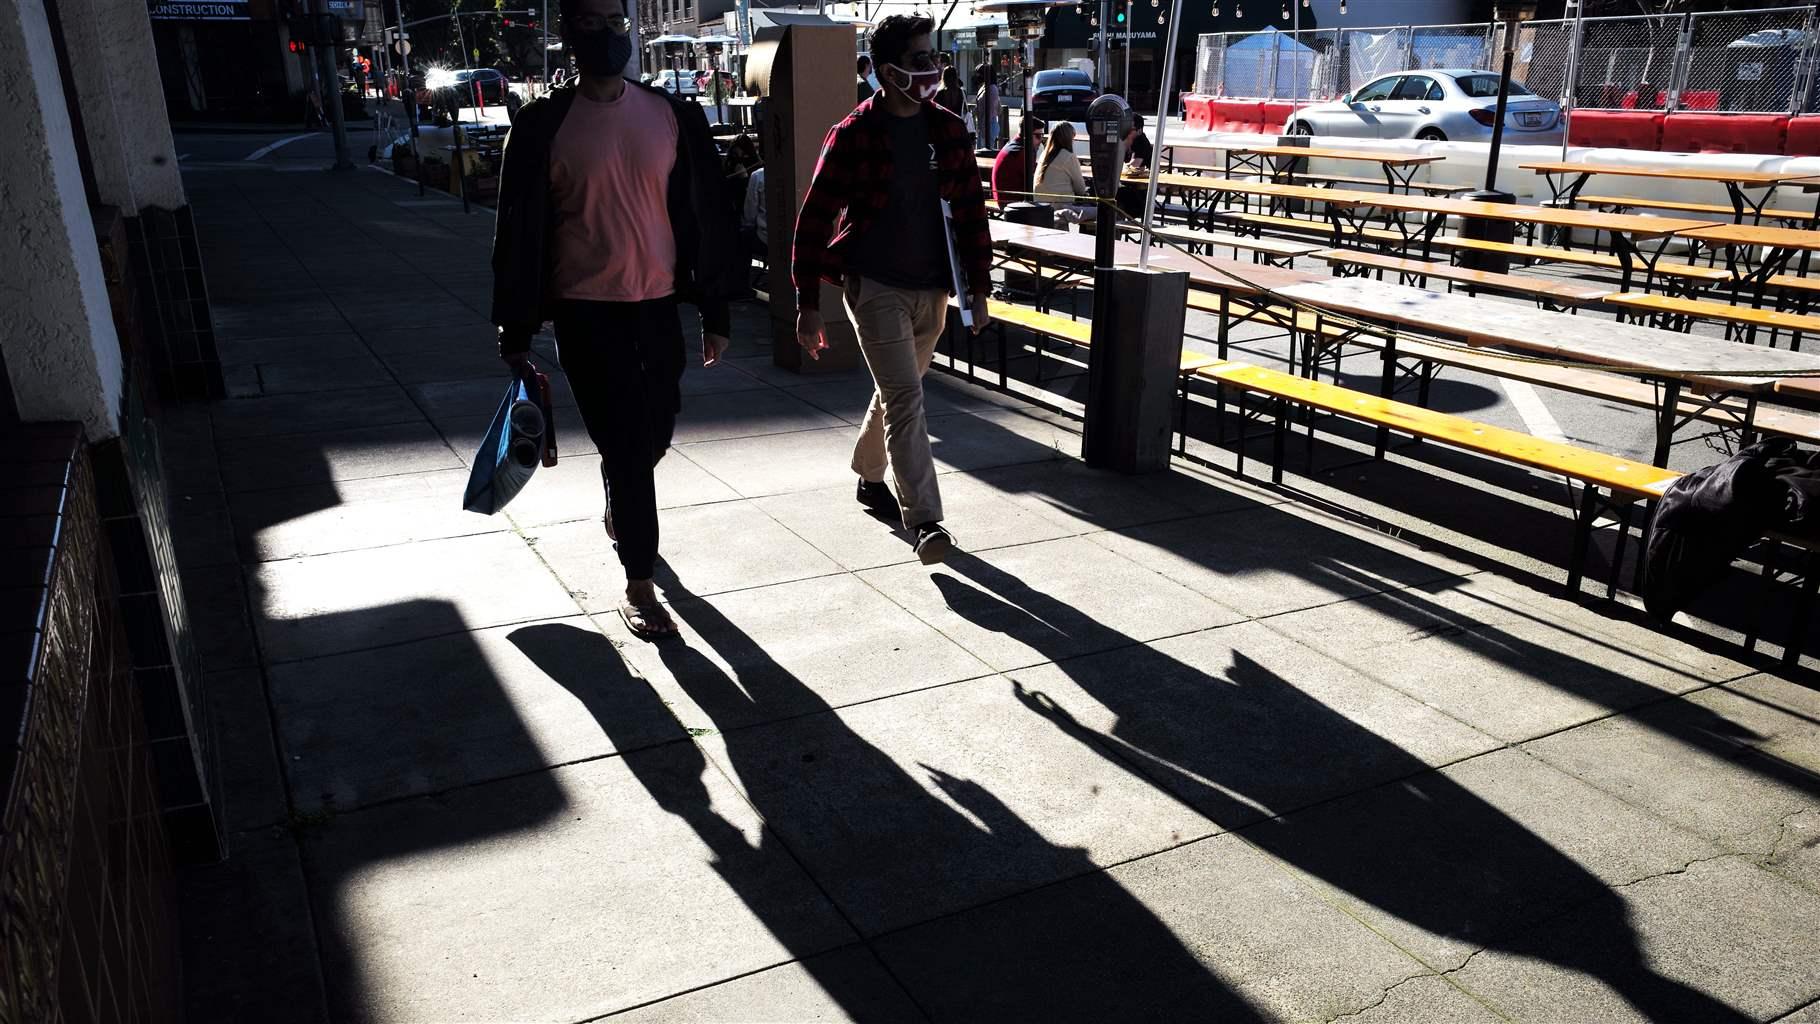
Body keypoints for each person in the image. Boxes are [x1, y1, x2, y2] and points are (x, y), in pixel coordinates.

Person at [490, 0, 746, 637]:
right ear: (569, 33)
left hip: (658, 309)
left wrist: (716, 311)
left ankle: (619, 499)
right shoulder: (543, 125)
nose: (606, 35)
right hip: (586, 315)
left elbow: (706, 218)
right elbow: (516, 233)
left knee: (652, 436)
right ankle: (640, 583)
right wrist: (514, 329)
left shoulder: (672, 116)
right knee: (629, 448)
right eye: (590, 23)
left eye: (615, 21)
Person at [792, 13, 993, 565]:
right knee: (907, 397)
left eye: (934, 57)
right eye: (921, 58)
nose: (933, 68)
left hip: (933, 289)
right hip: (873, 284)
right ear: (889, 71)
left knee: (897, 391)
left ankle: (867, 469)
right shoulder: (854, 134)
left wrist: (979, 288)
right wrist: (808, 305)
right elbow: (814, 219)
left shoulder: (948, 130)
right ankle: (926, 520)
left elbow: (972, 214)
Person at [1035, 122, 1093, 224]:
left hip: (1040, 204)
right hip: (1060, 205)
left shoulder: (1044, 155)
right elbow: (1080, 189)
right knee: (1099, 208)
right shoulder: (1068, 157)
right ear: (1068, 139)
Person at [1116, 113, 1154, 218]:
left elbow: (1133, 166)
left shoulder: (1141, 141)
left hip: (1141, 189)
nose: (1127, 131)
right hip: (1128, 183)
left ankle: (1117, 223)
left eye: (1130, 129)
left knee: (1118, 194)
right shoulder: (1127, 140)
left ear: (1139, 130)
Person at [972, 64, 998, 150]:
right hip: (982, 125)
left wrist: (983, 130)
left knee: (986, 152)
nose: (978, 76)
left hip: (988, 126)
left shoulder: (992, 88)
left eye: (979, 74)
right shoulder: (984, 87)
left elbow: (990, 111)